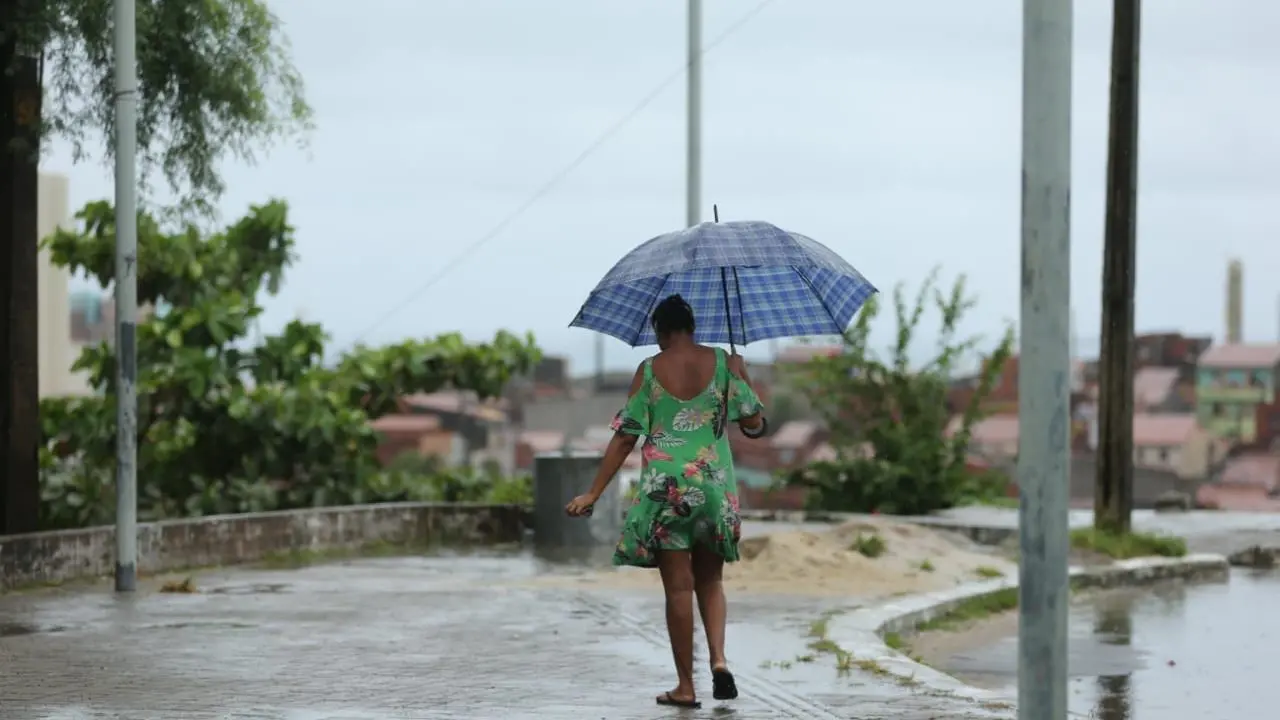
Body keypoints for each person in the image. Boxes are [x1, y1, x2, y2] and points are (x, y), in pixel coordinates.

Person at [565, 293, 767, 710]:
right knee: (711, 582)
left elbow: (626, 436)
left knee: (679, 589)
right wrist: (740, 375)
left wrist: (594, 493)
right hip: (713, 485)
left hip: (666, 489)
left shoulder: (650, 371)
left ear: (660, 329)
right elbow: (754, 425)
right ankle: (719, 660)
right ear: (692, 327)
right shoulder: (722, 365)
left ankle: (685, 687)